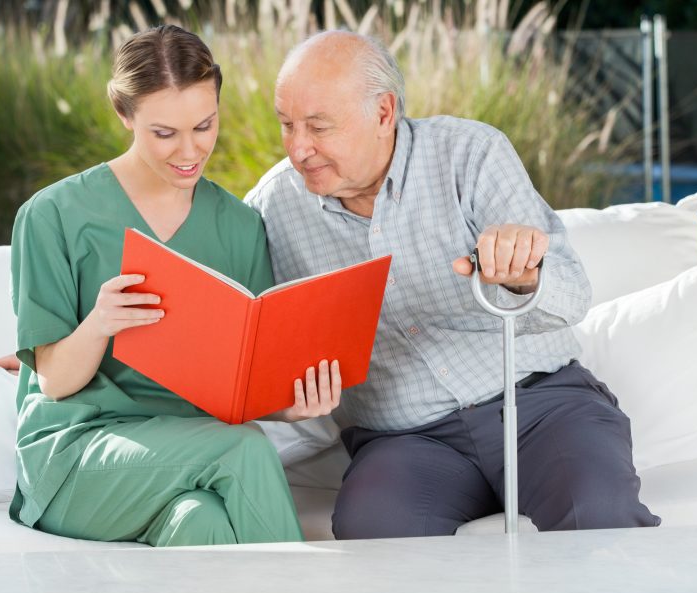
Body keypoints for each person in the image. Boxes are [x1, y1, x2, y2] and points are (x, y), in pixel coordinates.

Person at [245, 30, 661, 539]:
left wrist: (525, 277)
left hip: (539, 406)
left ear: (383, 113)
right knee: (373, 528)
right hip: (404, 439)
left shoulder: (471, 154)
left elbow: (573, 295)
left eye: (318, 126)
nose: (298, 147)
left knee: (598, 511)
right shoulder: (271, 207)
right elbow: (256, 342)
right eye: (286, 125)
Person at [8, 24, 340, 547]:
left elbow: (243, 382)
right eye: (164, 133)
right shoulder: (52, 215)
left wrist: (291, 403)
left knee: (201, 523)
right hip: (78, 456)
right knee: (246, 448)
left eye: (204, 126)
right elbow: (53, 383)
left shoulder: (237, 224)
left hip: (188, 458)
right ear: (125, 114)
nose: (189, 151)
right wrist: (99, 324)